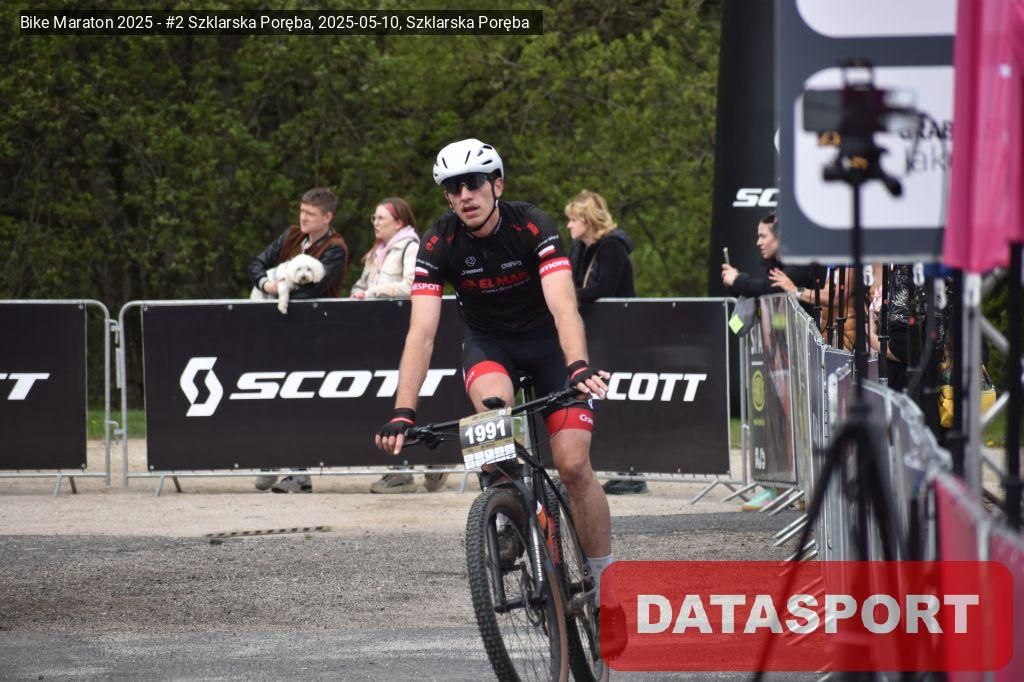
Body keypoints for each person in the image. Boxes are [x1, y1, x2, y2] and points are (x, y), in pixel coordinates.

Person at [374, 139, 622, 643]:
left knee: (574, 466)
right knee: (492, 413)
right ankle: (508, 510)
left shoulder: (532, 224)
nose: (464, 195)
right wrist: (403, 409)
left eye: (473, 183)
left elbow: (564, 307)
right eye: (453, 188)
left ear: (497, 185)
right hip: (490, 346)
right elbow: (421, 334)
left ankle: (605, 586)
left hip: (549, 347)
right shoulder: (439, 242)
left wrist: (577, 365)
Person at [248, 187, 349, 493]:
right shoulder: (291, 235)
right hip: (277, 327)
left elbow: (313, 291)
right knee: (273, 396)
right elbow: (256, 264)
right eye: (302, 211)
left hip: (315, 331)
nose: (303, 218)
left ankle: (300, 473)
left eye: (310, 214)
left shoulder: (336, 248)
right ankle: (271, 460)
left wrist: (282, 290)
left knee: (302, 400)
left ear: (327, 217)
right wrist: (267, 285)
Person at [352, 197, 448, 494]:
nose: (375, 223)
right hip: (377, 334)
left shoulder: (411, 247)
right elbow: (362, 284)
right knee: (388, 399)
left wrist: (374, 292)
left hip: (406, 330)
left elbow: (411, 285)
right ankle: (403, 470)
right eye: (373, 217)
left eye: (380, 218)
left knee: (413, 397)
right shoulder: (376, 251)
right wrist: (358, 294)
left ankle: (433, 462)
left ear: (399, 222)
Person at [564, 190, 644, 495]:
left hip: (620, 334)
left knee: (620, 400)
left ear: (588, 220)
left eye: (574, 219)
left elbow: (604, 288)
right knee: (593, 398)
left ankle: (632, 471)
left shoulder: (612, 246)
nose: (569, 225)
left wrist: (566, 298)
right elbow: (572, 282)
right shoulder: (579, 248)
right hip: (594, 334)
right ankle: (595, 465)